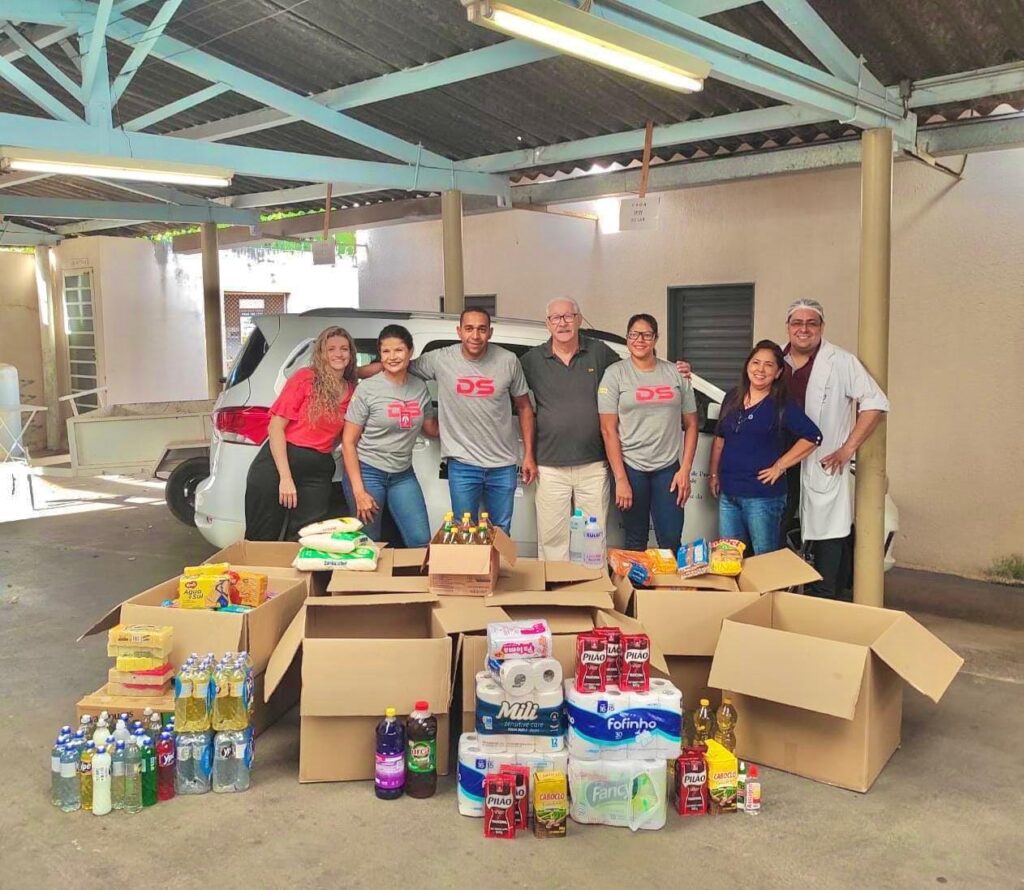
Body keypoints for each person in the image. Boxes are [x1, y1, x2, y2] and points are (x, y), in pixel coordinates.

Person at [782, 299, 889, 600]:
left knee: (828, 534)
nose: (804, 329)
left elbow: (875, 403)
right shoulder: (776, 359)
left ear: (822, 327)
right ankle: (779, 599)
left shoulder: (841, 361)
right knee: (778, 529)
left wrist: (847, 448)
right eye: (797, 323)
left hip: (823, 460)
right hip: (781, 461)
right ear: (788, 327)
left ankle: (823, 599)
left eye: (811, 323)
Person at [409, 308, 536, 536]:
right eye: (469, 328)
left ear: (490, 332)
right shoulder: (441, 358)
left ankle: (495, 562)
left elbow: (525, 407)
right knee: (464, 531)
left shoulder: (508, 360)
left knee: (500, 532)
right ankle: (468, 562)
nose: (475, 335)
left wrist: (528, 455)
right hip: (462, 464)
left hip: (503, 465)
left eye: (481, 329)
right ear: (459, 331)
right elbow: (397, 368)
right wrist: (353, 372)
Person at [519, 299, 621, 560]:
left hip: (593, 465)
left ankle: (592, 583)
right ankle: (556, 585)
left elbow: (632, 374)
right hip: (550, 466)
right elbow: (506, 388)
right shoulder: (531, 360)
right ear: (547, 324)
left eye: (568, 316)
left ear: (579, 319)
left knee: (593, 538)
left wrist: (674, 373)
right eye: (556, 317)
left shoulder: (599, 353)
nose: (562, 323)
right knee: (552, 541)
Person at [708, 340, 822, 555]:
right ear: (747, 366)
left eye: (769, 365)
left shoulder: (782, 404)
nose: (760, 369)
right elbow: (720, 439)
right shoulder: (732, 397)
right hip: (729, 494)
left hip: (762, 497)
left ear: (778, 372)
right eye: (756, 362)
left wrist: (780, 466)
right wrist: (713, 474)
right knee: (729, 557)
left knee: (765, 558)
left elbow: (813, 436)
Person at [244, 325, 357, 541]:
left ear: (351, 354)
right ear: (321, 353)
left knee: (308, 535)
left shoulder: (352, 390)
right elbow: (276, 427)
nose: (338, 354)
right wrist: (285, 478)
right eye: (331, 349)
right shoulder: (305, 378)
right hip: (279, 463)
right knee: (263, 536)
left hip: (318, 468)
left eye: (344, 349)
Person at [598, 313, 699, 551]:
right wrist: (621, 479)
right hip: (631, 468)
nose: (640, 340)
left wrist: (685, 469)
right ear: (627, 338)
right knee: (635, 540)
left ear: (656, 338)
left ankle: (668, 578)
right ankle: (636, 578)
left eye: (646, 335)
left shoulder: (676, 373)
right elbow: (608, 429)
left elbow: (692, 424)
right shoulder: (615, 374)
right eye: (634, 334)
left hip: (669, 469)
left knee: (671, 539)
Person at [341, 324, 438, 546]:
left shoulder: (419, 387)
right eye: (386, 351)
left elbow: (431, 428)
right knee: (368, 541)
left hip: (402, 474)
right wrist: (359, 492)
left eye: (399, 350)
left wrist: (467, 420)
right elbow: (348, 442)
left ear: (410, 352)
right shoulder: (367, 389)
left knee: (420, 539)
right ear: (380, 354)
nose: (392, 357)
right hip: (368, 472)